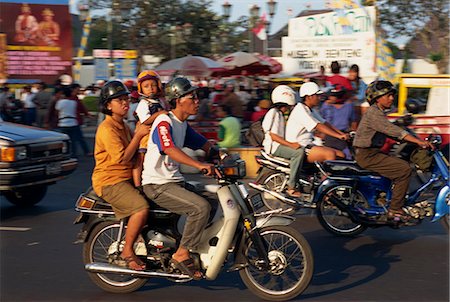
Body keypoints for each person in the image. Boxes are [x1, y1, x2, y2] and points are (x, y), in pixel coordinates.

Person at [142, 77, 217, 280]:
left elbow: (202, 143)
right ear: (178, 99)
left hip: (173, 182)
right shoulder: (164, 121)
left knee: (212, 202)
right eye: (192, 97)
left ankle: (191, 244)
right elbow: (169, 148)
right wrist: (199, 165)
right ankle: (182, 253)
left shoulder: (182, 124)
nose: (197, 101)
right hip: (157, 184)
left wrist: (221, 154)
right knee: (200, 208)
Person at [91, 80, 151, 271]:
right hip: (110, 181)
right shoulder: (107, 129)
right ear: (108, 105)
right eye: (119, 100)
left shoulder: (123, 125)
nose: (125, 103)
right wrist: (138, 135)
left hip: (126, 178)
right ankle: (127, 250)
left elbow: (135, 152)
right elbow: (123, 158)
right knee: (141, 208)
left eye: (126, 99)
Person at [353, 80, 433, 221]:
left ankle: (389, 198)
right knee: (404, 169)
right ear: (377, 98)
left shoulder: (378, 113)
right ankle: (395, 209)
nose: (391, 98)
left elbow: (391, 132)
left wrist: (414, 141)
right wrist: (418, 141)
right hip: (367, 155)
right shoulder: (373, 113)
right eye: (388, 96)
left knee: (399, 162)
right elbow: (393, 130)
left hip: (372, 153)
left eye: (392, 95)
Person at [286, 82, 348, 163]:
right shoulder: (300, 110)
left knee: (341, 155)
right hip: (300, 146)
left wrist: (341, 134)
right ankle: (325, 176)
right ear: (309, 97)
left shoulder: (311, 109)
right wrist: (338, 136)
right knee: (330, 154)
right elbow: (317, 126)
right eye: (317, 96)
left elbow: (325, 123)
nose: (320, 98)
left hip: (309, 144)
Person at [262, 85, 305, 198]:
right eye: (287, 106)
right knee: (298, 153)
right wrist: (291, 145)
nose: (289, 108)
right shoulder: (274, 113)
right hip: (274, 147)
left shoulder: (279, 114)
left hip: (277, 145)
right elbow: (273, 136)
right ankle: (292, 187)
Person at [132, 70, 168, 187]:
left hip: (157, 133)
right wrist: (159, 114)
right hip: (146, 135)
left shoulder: (160, 101)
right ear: (141, 89)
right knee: (140, 160)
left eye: (153, 85)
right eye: (146, 86)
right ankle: (138, 185)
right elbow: (145, 121)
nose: (151, 88)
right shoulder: (144, 103)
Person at [320, 86, 357, 159]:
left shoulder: (349, 105)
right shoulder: (326, 106)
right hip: (330, 135)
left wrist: (353, 133)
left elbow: (353, 121)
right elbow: (322, 121)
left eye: (333, 96)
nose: (331, 98)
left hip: (344, 135)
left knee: (347, 156)